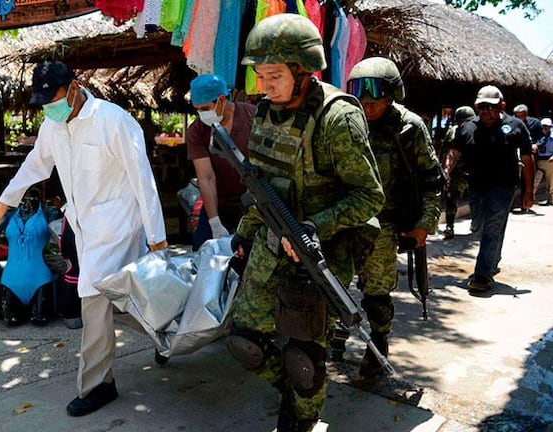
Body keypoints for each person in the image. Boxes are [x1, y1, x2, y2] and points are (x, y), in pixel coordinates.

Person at [226, 14, 384, 431]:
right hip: (270, 240)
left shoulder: (337, 119)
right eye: (260, 75)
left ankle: (300, 417)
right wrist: (243, 234)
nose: (264, 86)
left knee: (303, 355)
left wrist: (316, 225)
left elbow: (370, 196)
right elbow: (262, 186)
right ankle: (297, 394)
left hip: (321, 250)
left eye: (274, 75)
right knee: (244, 341)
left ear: (304, 70)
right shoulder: (266, 112)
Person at [0, 60, 168, 417]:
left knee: (93, 298)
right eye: (43, 102)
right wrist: (6, 199)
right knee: (123, 299)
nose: (49, 108)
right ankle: (166, 334)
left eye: (52, 98)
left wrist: (157, 237)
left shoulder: (114, 121)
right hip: (84, 227)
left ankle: (98, 384)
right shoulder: (53, 127)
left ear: (73, 87)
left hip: (118, 225)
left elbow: (142, 179)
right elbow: (36, 164)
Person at [346, 57, 443, 377]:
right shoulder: (347, 121)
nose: (367, 106)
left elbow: (433, 180)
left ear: (392, 96)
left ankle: (378, 342)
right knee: (329, 285)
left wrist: (424, 224)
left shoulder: (409, 127)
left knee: (376, 292)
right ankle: (328, 341)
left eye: (375, 100)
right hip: (345, 218)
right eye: (362, 99)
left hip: (384, 222)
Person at [446, 85, 535, 292]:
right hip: (476, 186)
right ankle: (492, 259)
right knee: (480, 227)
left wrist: (528, 191)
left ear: (502, 106)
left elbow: (527, 159)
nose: (486, 111)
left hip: (504, 186)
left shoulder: (516, 126)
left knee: (493, 225)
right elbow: (454, 152)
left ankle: (482, 276)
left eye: (491, 107)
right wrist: (446, 172)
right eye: (482, 107)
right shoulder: (467, 127)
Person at [185, 74, 255, 251]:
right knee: (202, 251)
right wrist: (214, 222)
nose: (202, 114)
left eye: (205, 108)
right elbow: (206, 177)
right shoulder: (197, 131)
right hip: (219, 204)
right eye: (197, 110)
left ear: (222, 99)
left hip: (255, 203)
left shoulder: (252, 117)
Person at [441, 106, 475, 239]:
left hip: (464, 172)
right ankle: (450, 226)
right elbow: (447, 152)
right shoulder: (456, 131)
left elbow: (445, 152)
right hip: (460, 172)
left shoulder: (454, 131)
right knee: (452, 199)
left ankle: (453, 226)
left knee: (456, 199)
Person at [512, 104, 542, 213]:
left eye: (521, 116)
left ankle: (525, 203)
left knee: (526, 180)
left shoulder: (535, 123)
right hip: (513, 154)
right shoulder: (510, 123)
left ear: (526, 114)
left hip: (528, 153)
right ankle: (511, 203)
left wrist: (537, 145)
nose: (519, 118)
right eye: (517, 116)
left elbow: (542, 137)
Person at [533, 118, 553, 206]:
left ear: (550, 127)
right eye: (543, 126)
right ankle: (531, 199)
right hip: (539, 160)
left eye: (547, 126)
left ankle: (550, 200)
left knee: (550, 181)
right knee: (535, 180)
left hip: (551, 161)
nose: (545, 128)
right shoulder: (538, 136)